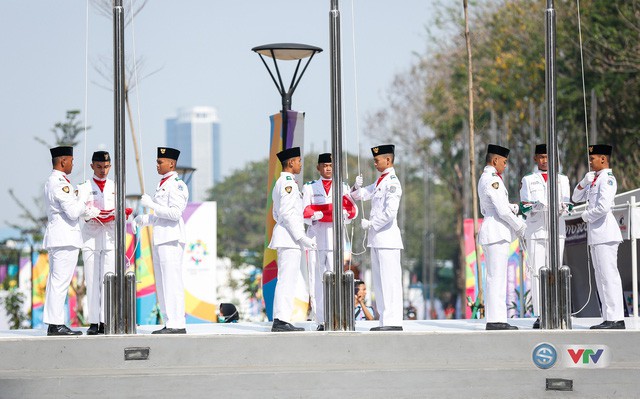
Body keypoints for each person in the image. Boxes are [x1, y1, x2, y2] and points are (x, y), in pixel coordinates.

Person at [43, 146, 99, 336]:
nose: (73, 164)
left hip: (61, 237)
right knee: (60, 282)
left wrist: (83, 208)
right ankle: (56, 324)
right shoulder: (60, 184)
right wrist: (83, 198)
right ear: (63, 161)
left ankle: (54, 323)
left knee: (57, 282)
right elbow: (73, 211)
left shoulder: (57, 181)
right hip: (64, 238)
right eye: (71, 160)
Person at [134, 147, 189, 334]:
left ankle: (177, 323)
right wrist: (144, 219)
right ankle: (169, 321)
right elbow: (160, 215)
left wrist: (151, 205)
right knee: (162, 283)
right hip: (161, 237)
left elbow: (174, 213)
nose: (157, 165)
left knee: (172, 282)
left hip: (171, 238)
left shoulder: (177, 184)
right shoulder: (163, 183)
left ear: (171, 163)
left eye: (160, 162)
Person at [78, 151, 132, 335]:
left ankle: (106, 320)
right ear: (92, 166)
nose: (103, 171)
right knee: (93, 280)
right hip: (91, 237)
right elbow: (78, 210)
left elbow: (121, 209)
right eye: (99, 167)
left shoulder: (115, 186)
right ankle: (93, 321)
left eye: (106, 167)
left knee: (109, 279)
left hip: (109, 237)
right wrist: (88, 213)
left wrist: (119, 213)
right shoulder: (84, 187)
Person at [351, 144, 404, 331]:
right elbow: (361, 194)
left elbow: (390, 213)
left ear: (388, 160)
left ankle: (393, 321)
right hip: (377, 240)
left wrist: (372, 224)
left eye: (377, 160)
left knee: (390, 282)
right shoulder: (380, 181)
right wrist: (355, 186)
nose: (374, 163)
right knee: (380, 282)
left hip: (388, 239)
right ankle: (384, 320)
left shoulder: (392, 183)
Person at [302, 153, 357, 330]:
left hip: (335, 237)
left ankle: (338, 317)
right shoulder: (310, 187)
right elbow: (304, 210)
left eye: (331, 165)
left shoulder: (343, 187)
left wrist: (344, 214)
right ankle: (321, 320)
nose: (328, 168)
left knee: (337, 278)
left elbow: (352, 211)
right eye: (324, 165)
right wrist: (316, 214)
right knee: (317, 279)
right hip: (316, 236)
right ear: (318, 167)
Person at [572, 144, 625, 329]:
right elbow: (576, 197)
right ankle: (608, 317)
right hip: (596, 235)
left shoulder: (608, 179)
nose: (590, 162)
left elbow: (603, 207)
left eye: (593, 159)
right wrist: (585, 182)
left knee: (609, 276)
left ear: (603, 159)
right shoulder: (595, 179)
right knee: (601, 277)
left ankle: (616, 318)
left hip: (605, 233)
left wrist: (586, 216)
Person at [519, 144, 571, 329]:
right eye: (540, 157)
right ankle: (541, 314)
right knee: (537, 272)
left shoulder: (562, 180)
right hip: (535, 229)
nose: (544, 160)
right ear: (535, 159)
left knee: (556, 271)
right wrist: (535, 206)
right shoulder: (528, 180)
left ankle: (557, 312)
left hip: (556, 230)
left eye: (547, 157)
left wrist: (563, 207)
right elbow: (524, 206)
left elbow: (568, 205)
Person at [478, 144, 526, 331]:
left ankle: (496, 318)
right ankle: (496, 320)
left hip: (493, 227)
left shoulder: (488, 178)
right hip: (496, 231)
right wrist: (519, 225)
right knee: (496, 278)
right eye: (504, 162)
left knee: (495, 277)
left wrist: (513, 208)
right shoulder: (492, 179)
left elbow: (493, 207)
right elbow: (502, 210)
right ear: (495, 160)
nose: (505, 166)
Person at [268, 147, 317, 332]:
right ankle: (280, 319)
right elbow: (288, 213)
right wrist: (301, 237)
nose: (300, 164)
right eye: (298, 161)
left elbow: (276, 212)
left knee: (288, 279)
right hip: (289, 238)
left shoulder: (283, 182)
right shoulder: (287, 182)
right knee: (287, 280)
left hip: (288, 236)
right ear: (290, 163)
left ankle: (282, 318)